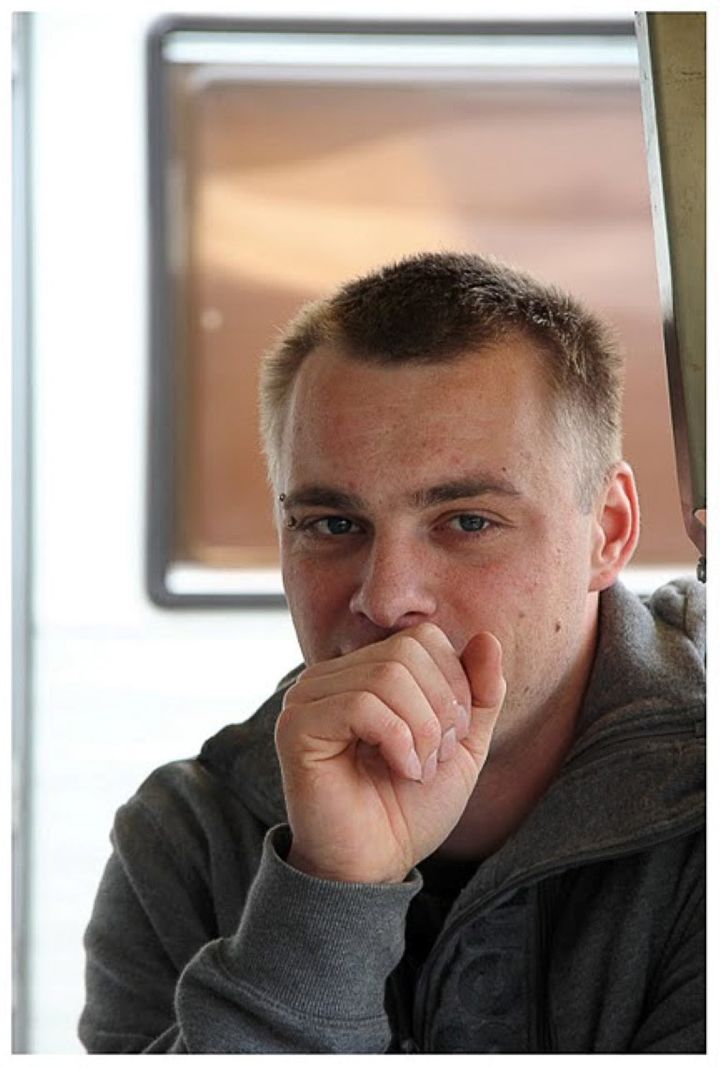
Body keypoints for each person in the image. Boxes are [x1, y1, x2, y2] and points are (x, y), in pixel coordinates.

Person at [79, 252, 705, 1053]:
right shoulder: (182, 845)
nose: (385, 596)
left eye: (467, 521)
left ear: (607, 532)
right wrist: (327, 890)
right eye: (333, 525)